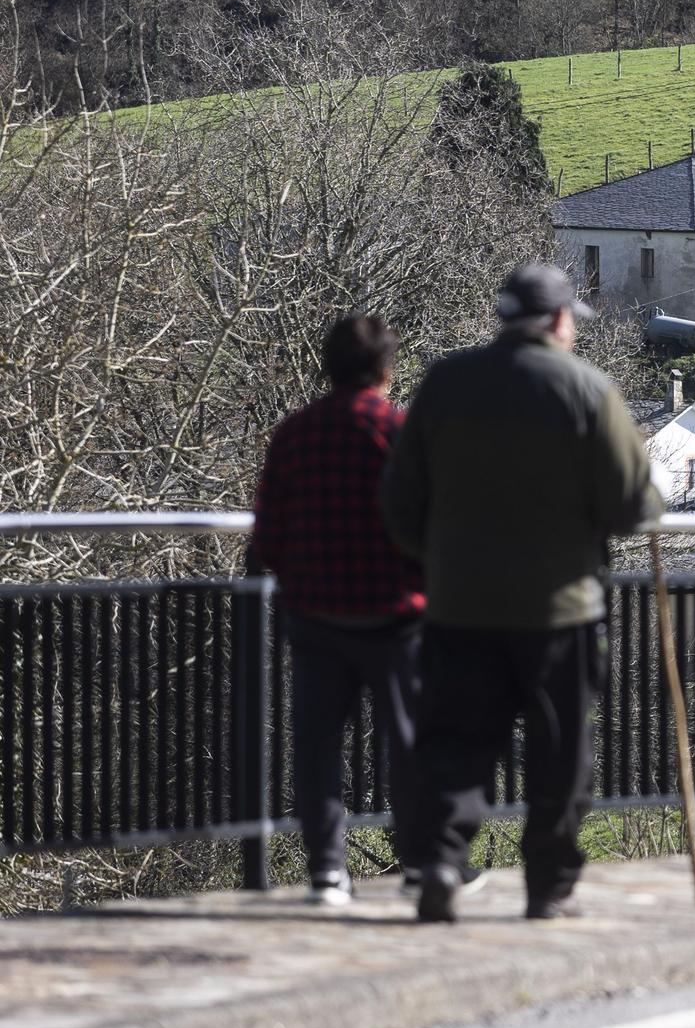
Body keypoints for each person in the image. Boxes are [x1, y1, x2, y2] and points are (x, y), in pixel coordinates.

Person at [383, 263, 661, 922]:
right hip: (559, 609)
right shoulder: (587, 389)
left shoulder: (447, 382)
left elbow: (397, 503)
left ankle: (443, 861)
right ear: (561, 321)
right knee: (560, 752)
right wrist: (649, 500)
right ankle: (547, 885)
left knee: (456, 744)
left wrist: (440, 560)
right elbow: (629, 505)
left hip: (458, 607)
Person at [249, 314, 442, 906]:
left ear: (327, 366)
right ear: (386, 370)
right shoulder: (401, 432)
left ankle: (327, 872)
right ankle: (417, 862)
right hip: (395, 616)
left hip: (316, 615)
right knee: (408, 743)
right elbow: (430, 525)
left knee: (317, 747)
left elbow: (267, 537)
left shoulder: (293, 435)